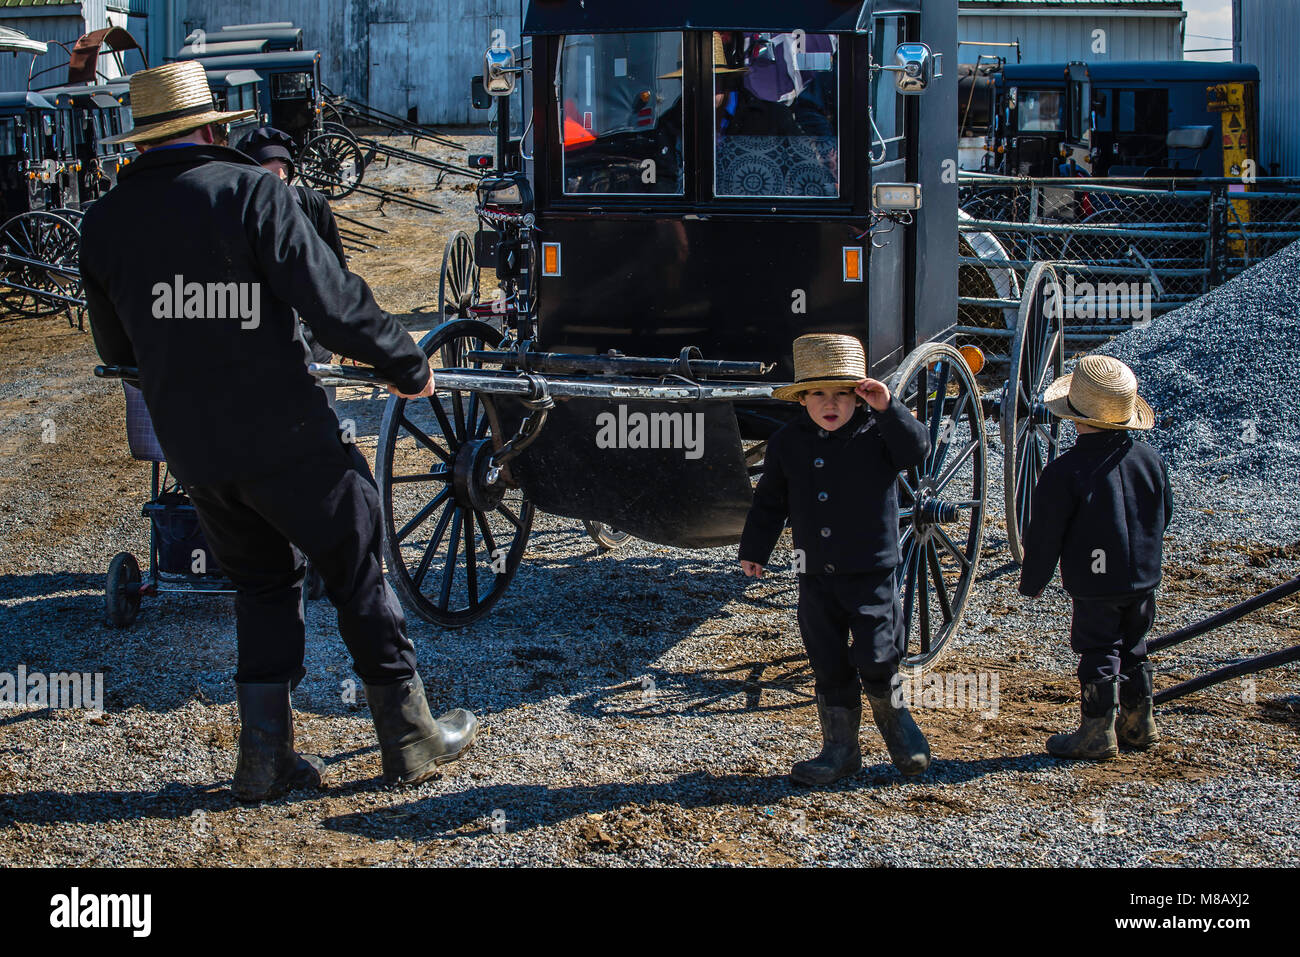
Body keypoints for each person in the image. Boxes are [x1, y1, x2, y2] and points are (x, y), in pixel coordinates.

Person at [80, 61, 478, 801]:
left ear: (142, 141)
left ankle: (263, 761)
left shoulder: (103, 223)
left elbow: (118, 352)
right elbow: (331, 300)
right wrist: (406, 361)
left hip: (193, 447)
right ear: (209, 129)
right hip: (280, 428)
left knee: (261, 582)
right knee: (354, 546)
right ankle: (412, 737)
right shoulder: (251, 191)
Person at [739, 334, 932, 784]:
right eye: (819, 394)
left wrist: (888, 409)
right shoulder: (788, 441)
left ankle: (899, 727)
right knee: (826, 658)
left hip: (871, 570)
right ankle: (839, 749)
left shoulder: (878, 433)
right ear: (803, 397)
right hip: (815, 573)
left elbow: (916, 450)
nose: (831, 404)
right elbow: (770, 500)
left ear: (859, 395)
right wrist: (754, 549)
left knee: (877, 654)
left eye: (842, 393)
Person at [1019, 355, 1173, 760]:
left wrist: (1032, 581)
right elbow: (1164, 515)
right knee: (1135, 643)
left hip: (1095, 580)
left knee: (1098, 647)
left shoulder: (1063, 472)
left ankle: (1096, 731)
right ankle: (1139, 723)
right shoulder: (1151, 461)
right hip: (1141, 576)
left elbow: (1045, 535)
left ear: (1074, 416)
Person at [235, 126, 345, 407]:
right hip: (268, 331)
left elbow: (336, 269)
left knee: (324, 403)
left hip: (313, 326)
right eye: (270, 174)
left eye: (283, 171)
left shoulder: (313, 204)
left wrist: (346, 329)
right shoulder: (238, 213)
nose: (279, 179)